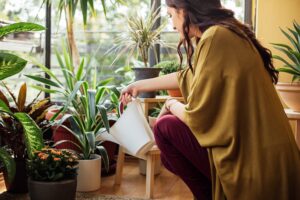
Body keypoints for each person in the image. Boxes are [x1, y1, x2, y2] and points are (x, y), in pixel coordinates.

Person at [120, 0, 300, 199]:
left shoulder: (216, 37)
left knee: (165, 127)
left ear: (185, 10)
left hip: (256, 163)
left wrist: (170, 104)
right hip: (272, 158)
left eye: (171, 15)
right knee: (167, 141)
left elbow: (198, 118)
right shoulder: (226, 33)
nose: (172, 25)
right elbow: (188, 76)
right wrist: (137, 85)